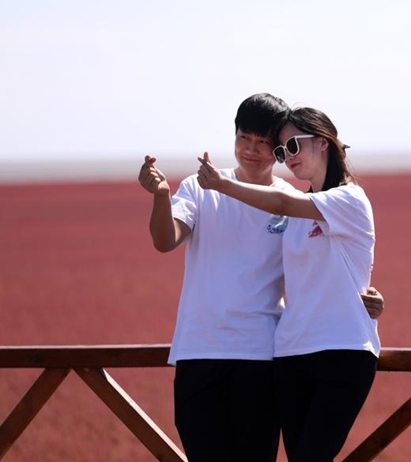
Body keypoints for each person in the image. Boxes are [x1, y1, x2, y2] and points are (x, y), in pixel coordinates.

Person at [137, 94, 383, 462]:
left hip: (263, 357)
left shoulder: (292, 202)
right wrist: (160, 197)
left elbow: (317, 244)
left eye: (269, 145)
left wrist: (364, 296)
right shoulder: (197, 188)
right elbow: (164, 240)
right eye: (243, 139)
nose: (252, 150)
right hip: (205, 351)